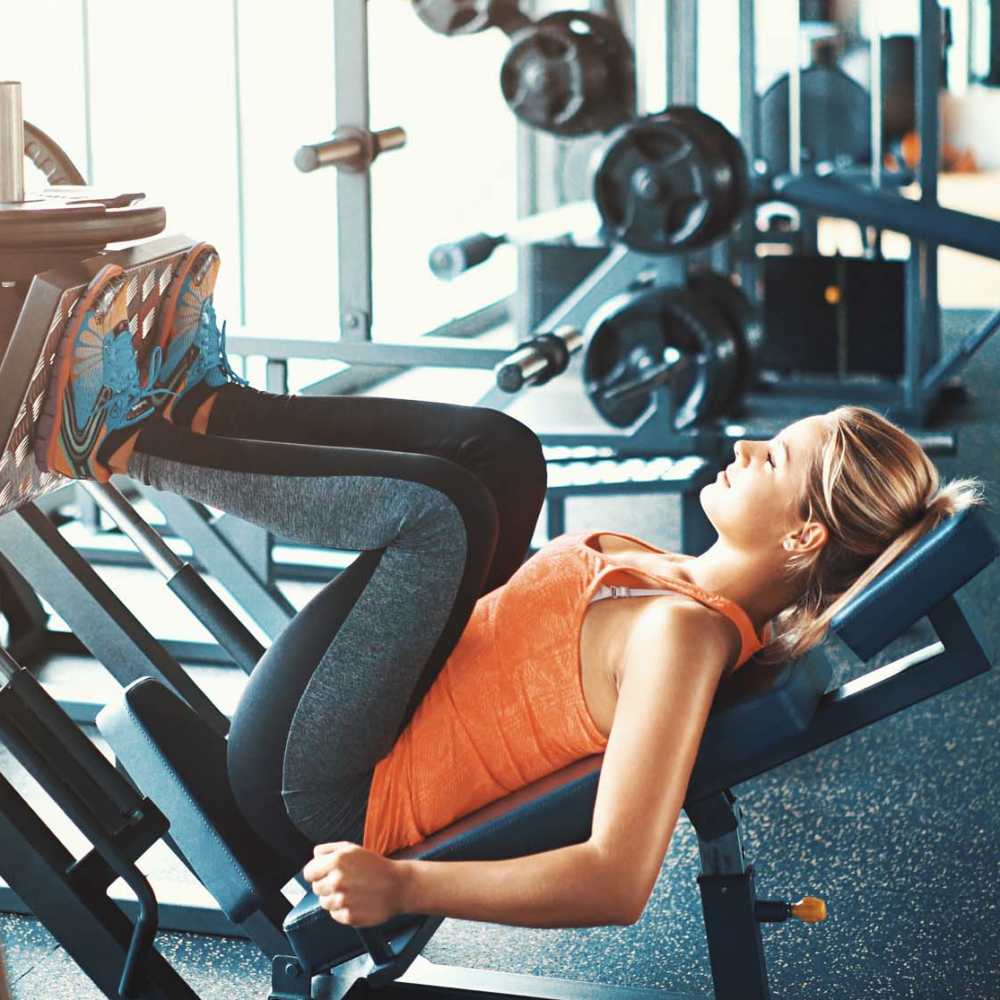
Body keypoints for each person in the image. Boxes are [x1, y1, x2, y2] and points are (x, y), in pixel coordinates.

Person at [32, 246, 982, 933]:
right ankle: (204, 404)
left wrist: (404, 888)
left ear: (805, 533)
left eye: (771, 456)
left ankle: (123, 446)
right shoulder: (674, 580)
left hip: (332, 790)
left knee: (438, 516)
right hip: (399, 712)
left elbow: (616, 880)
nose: (741, 446)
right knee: (501, 452)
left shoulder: (684, 639)